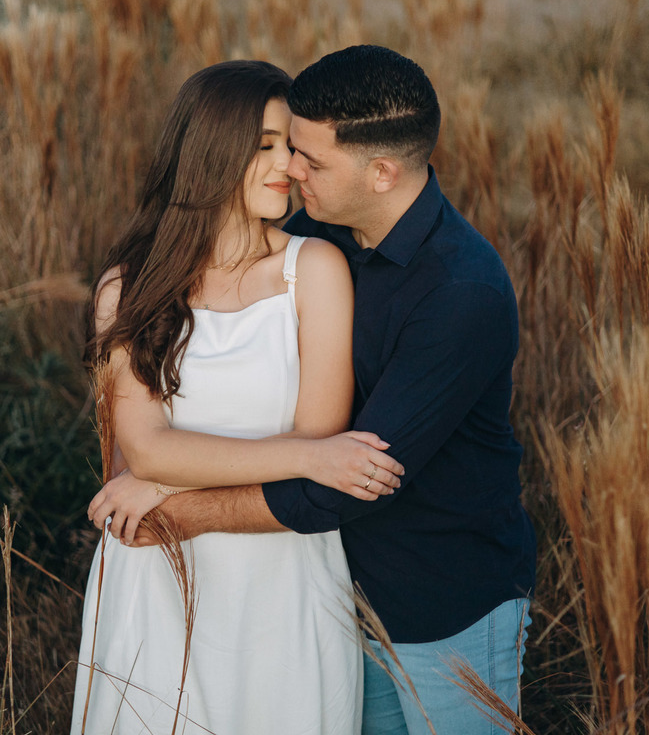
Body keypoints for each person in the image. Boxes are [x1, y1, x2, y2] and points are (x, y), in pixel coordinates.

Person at [97, 45, 537, 735]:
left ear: (382, 172)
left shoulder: (461, 294)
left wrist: (173, 503)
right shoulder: (312, 226)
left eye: (309, 159)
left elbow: (342, 477)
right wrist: (153, 461)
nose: (291, 170)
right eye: (279, 148)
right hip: (336, 594)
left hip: (441, 607)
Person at [69, 60, 405, 735]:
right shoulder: (126, 290)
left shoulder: (314, 269)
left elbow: (319, 432)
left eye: (293, 147)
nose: (289, 165)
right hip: (157, 573)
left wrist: (159, 485)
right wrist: (306, 461)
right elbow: (145, 446)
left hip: (284, 574)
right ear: (212, 153)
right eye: (266, 147)